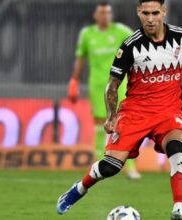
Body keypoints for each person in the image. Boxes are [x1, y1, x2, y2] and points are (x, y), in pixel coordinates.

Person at [57, 0, 182, 219]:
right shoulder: (130, 46)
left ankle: (178, 211)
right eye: (145, 13)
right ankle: (79, 189)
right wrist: (111, 116)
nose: (151, 18)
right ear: (138, 12)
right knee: (110, 167)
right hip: (135, 113)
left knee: (177, 151)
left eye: (155, 12)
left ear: (164, 12)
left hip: (169, 112)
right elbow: (113, 85)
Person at [67, 2, 141, 179]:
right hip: (97, 85)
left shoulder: (121, 31)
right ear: (95, 15)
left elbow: (138, 45)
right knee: (101, 124)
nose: (105, 16)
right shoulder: (87, 34)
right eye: (102, 13)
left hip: (119, 84)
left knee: (125, 123)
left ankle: (131, 167)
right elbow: (80, 58)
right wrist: (74, 81)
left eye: (108, 13)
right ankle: (100, 165)